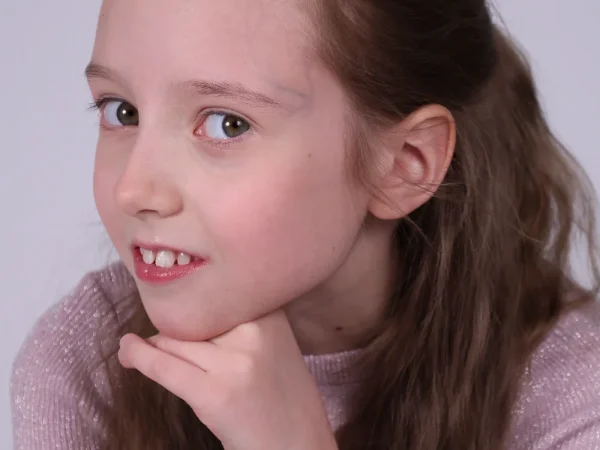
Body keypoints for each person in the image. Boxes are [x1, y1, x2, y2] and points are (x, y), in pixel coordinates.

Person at [10, 0, 600, 448]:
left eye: (227, 124)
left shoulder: (572, 397)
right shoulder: (88, 364)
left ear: (403, 164)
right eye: (122, 111)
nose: (133, 189)